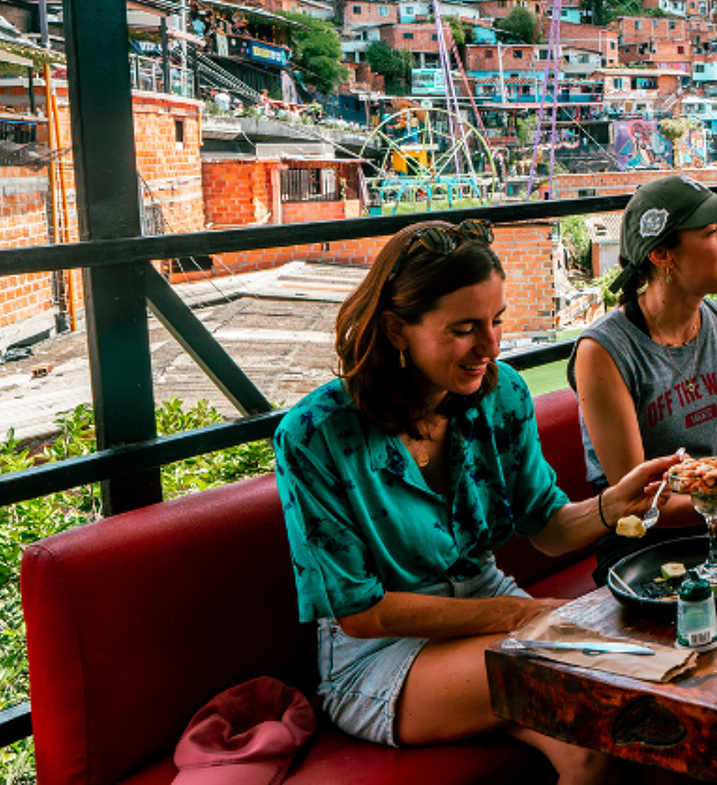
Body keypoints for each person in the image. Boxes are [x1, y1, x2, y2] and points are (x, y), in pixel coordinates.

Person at [273, 220, 680, 782]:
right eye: (465, 329)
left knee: (595, 744)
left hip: (488, 609)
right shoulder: (316, 434)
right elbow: (361, 613)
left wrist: (612, 505)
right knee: (601, 681)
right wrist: (518, 613)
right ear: (396, 330)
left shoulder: (503, 395)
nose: (490, 347)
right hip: (384, 653)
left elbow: (548, 528)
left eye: (496, 322)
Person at [571, 175, 717, 584]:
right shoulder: (604, 351)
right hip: (645, 544)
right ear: (663, 254)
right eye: (712, 232)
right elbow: (636, 502)